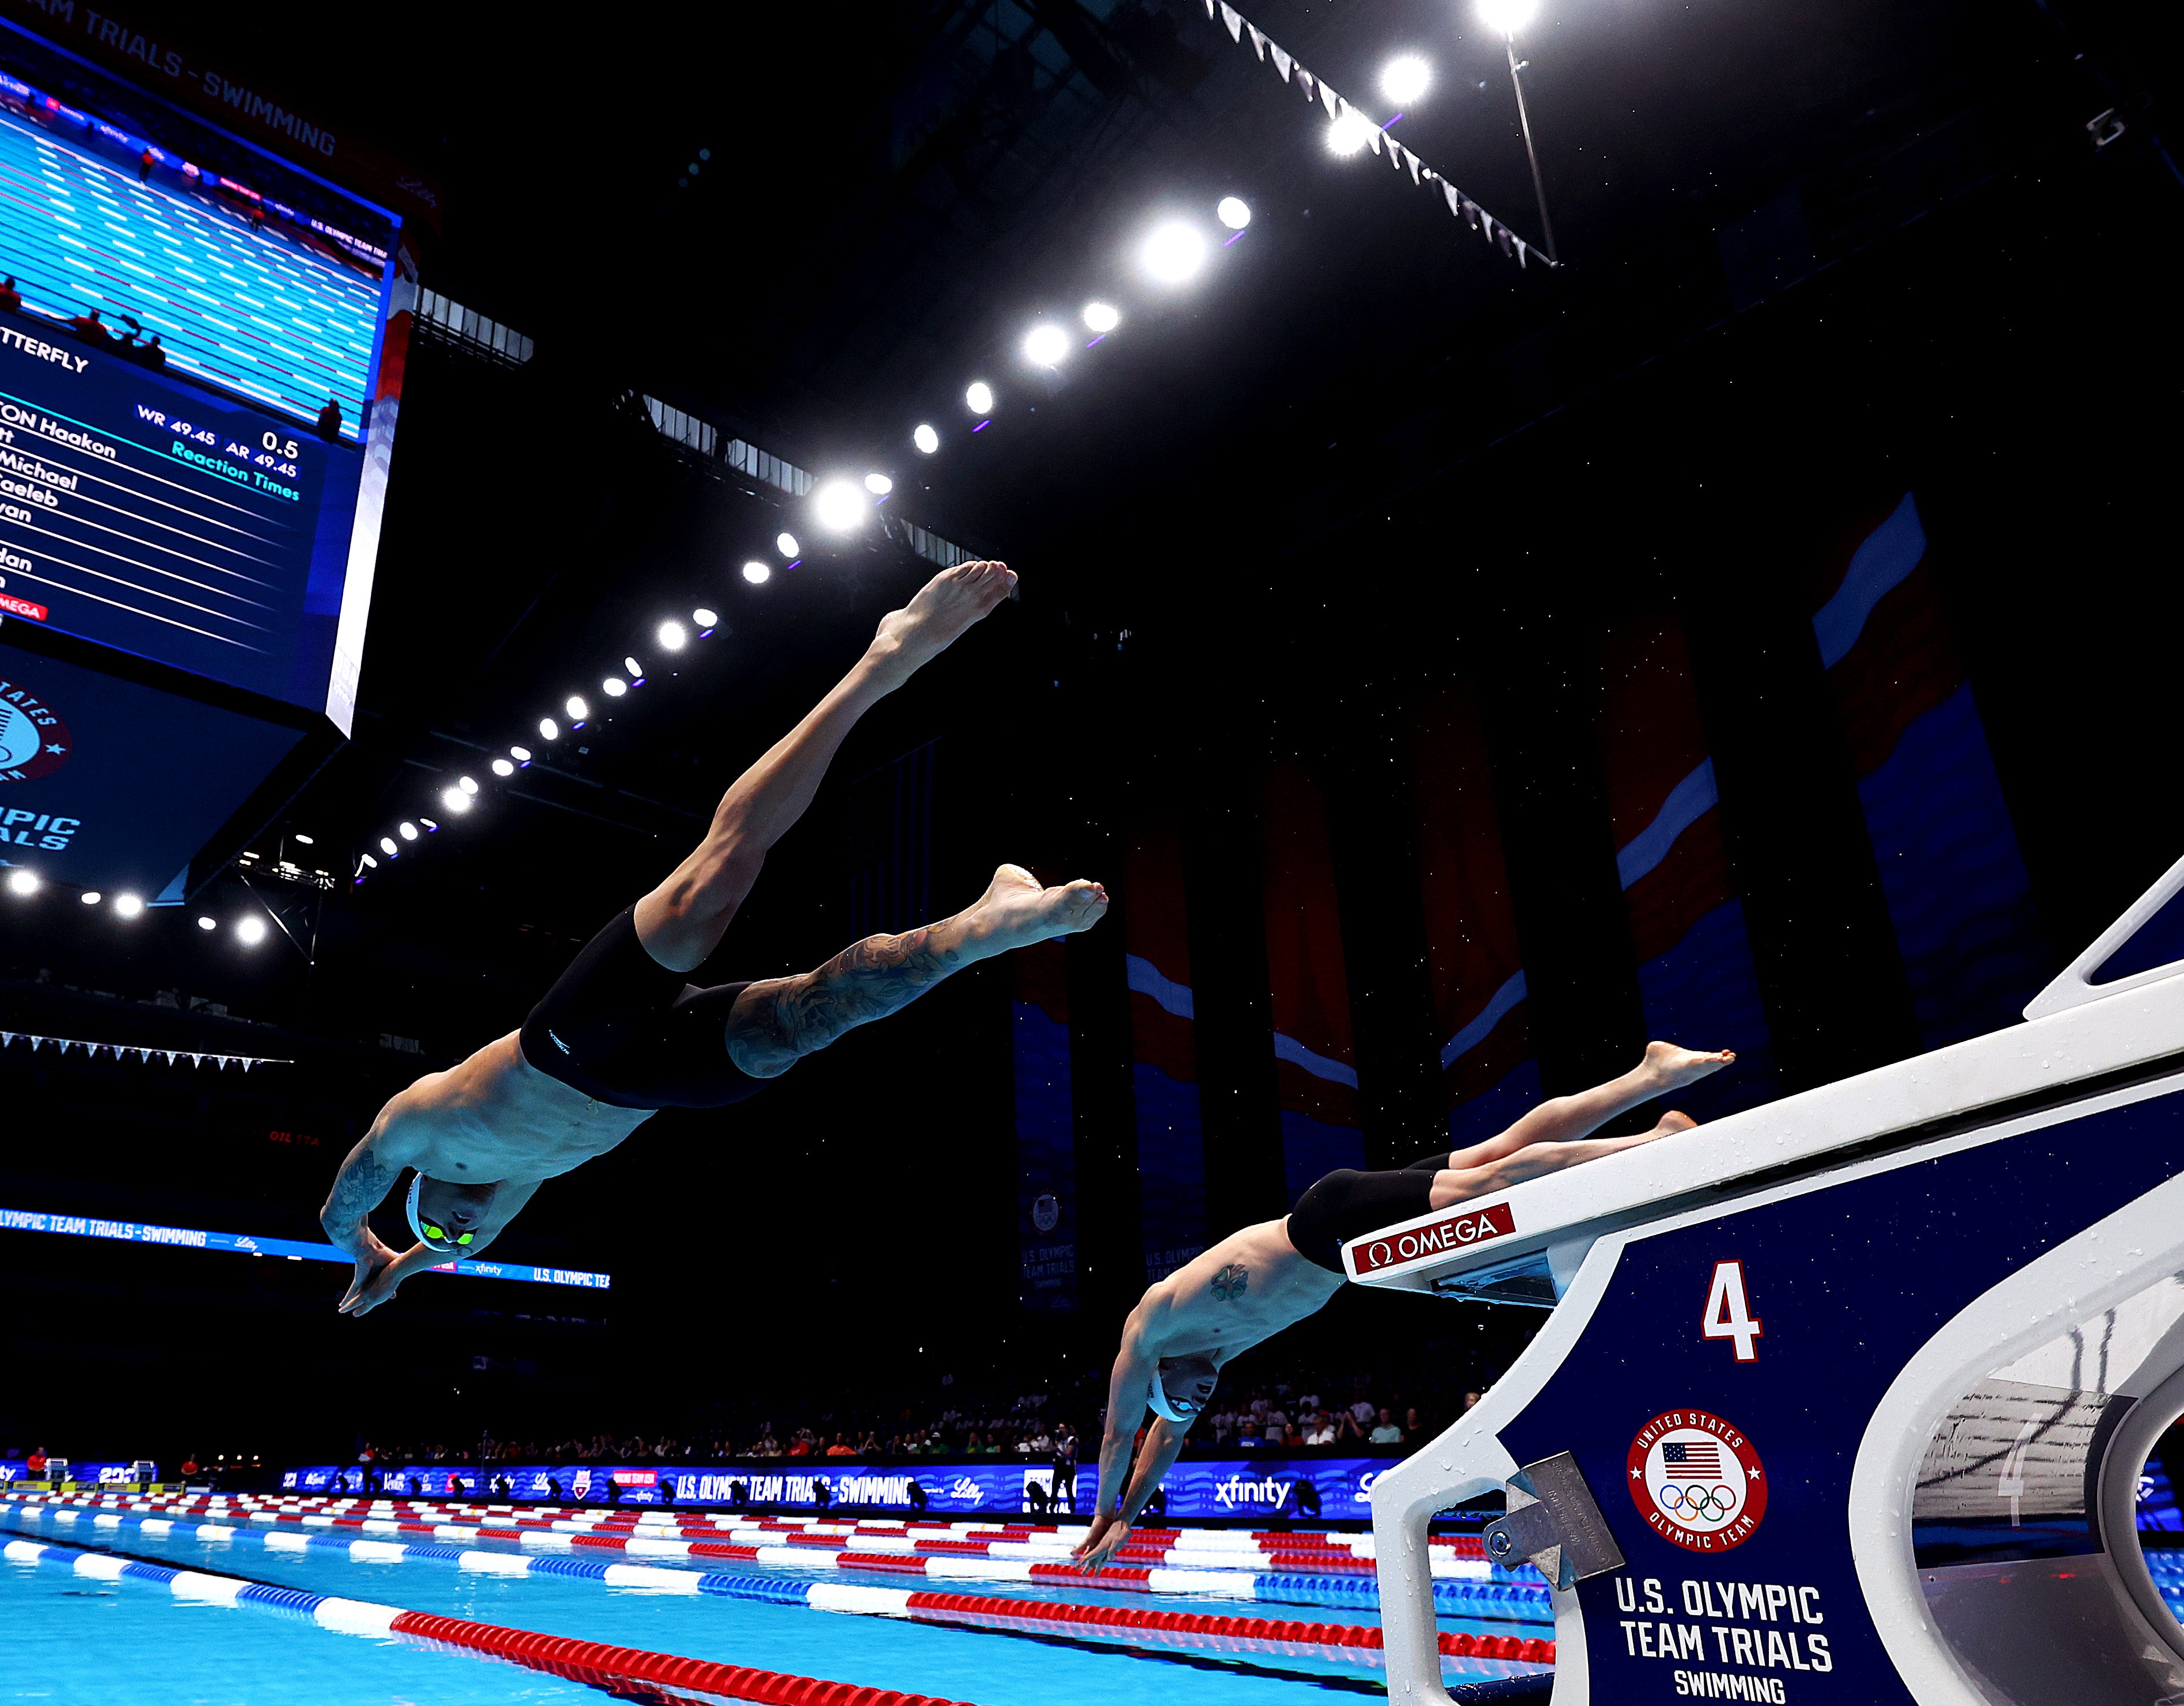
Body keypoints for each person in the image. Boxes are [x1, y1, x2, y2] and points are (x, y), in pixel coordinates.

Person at [317, 563, 1107, 1315]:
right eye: (458, 1241)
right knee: (810, 1019)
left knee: (714, 880)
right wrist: (408, 1269)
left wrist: (360, 1248)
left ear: (419, 1187)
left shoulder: (419, 1127)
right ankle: (987, 924)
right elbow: (445, 1243)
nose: (459, 1231)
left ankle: (886, 655)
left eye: (441, 1227)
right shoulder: (479, 1225)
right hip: (652, 1082)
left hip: (567, 1045)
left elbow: (342, 1201)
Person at [1068, 1041, 1736, 1568]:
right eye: (1193, 1407)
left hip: (1324, 1224)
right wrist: (1133, 1514)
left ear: (1160, 1376)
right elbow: (1162, 1442)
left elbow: (1122, 1436)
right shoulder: (1215, 1353)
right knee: (1499, 1152)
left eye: (1183, 1397)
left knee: (1491, 1183)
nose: (1200, 1398)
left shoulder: (1150, 1324)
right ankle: (1647, 1079)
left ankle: (1651, 1145)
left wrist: (1102, 1512)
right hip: (1344, 1239)